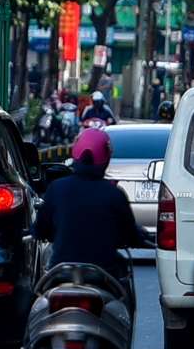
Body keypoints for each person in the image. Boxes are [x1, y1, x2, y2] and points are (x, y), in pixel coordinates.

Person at [34, 127, 140, 307]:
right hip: (103, 278)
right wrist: (142, 237)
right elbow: (132, 235)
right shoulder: (113, 194)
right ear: (106, 159)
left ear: (75, 154)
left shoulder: (56, 189)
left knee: (35, 295)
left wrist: (33, 231)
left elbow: (39, 230)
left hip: (61, 274)